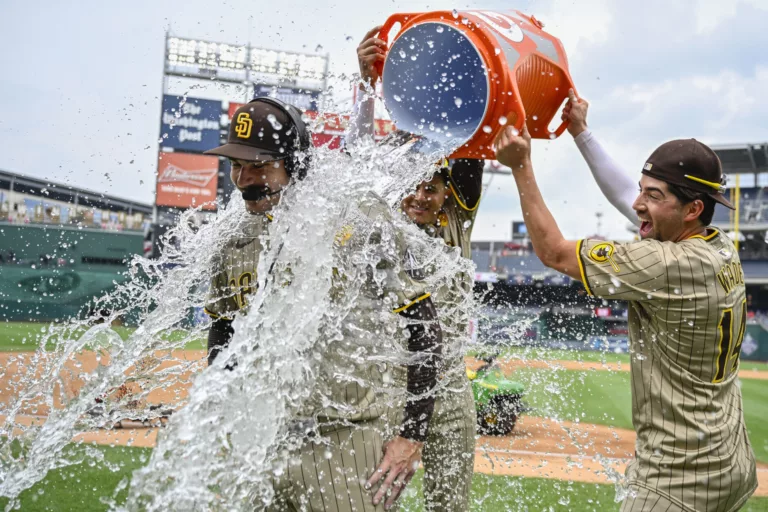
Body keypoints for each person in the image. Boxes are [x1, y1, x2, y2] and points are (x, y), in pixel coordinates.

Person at [494, 113, 758, 511]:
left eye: (653, 195)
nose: (638, 203)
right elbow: (631, 203)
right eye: (641, 190)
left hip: (676, 481)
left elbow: (552, 251)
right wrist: (581, 132)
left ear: (692, 209)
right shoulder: (720, 247)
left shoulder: (666, 265)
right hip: (731, 462)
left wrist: (521, 166)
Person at [203, 97, 444, 511]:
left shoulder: (356, 216)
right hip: (263, 437)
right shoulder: (233, 239)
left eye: (258, 166)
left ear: (294, 165)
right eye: (236, 166)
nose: (244, 179)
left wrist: (412, 434)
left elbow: (423, 324)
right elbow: (223, 331)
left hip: (345, 440)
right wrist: (220, 408)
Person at [351, 27, 483, 512]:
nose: (420, 196)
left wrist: (469, 60)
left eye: (432, 188)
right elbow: (357, 163)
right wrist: (368, 85)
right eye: (413, 185)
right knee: (370, 503)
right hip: (388, 392)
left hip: (449, 397)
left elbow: (469, 142)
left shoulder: (456, 224)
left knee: (449, 508)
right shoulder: (380, 223)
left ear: (449, 196)